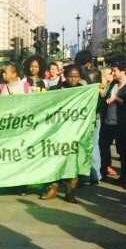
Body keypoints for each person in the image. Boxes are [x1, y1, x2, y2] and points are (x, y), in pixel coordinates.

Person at [41, 65, 85, 203]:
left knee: (72, 161)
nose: (74, 79)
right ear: (65, 76)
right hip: (57, 132)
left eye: (76, 76)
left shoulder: (84, 91)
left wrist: (100, 96)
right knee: (54, 160)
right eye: (71, 76)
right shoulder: (56, 89)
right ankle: (52, 189)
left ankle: (70, 191)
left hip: (75, 132)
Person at [100, 62, 126, 189]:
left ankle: (124, 177)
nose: (112, 73)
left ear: (123, 71)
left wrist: (117, 99)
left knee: (123, 151)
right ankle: (104, 171)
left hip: (122, 124)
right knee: (103, 145)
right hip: (108, 122)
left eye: (115, 70)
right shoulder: (113, 84)